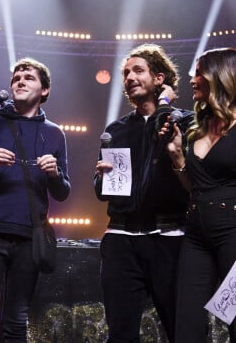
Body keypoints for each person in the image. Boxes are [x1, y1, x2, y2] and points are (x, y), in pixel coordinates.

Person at [161, 47, 236, 342]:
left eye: (199, 72)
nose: (193, 79)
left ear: (221, 75)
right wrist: (177, 157)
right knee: (187, 321)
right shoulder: (198, 126)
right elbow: (195, 187)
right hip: (196, 230)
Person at [0, 58, 71, 342]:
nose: (19, 80)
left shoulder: (55, 133)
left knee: (17, 324)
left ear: (44, 90)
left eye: (28, 77)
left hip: (29, 235)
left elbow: (62, 192)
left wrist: (55, 174)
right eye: (16, 77)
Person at [93, 43, 194, 342]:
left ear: (159, 78)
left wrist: (164, 106)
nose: (129, 77)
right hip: (121, 239)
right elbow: (103, 193)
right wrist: (100, 178)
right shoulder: (117, 129)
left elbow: (194, 179)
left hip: (169, 238)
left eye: (138, 70)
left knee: (180, 328)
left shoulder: (185, 121)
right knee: (121, 333)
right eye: (125, 73)